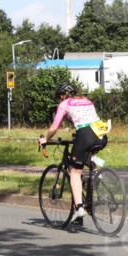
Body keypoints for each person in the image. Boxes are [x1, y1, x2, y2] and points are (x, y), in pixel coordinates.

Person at [38, 82, 109, 223]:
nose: (60, 99)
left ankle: (79, 208)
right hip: (102, 134)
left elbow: (54, 127)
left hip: (86, 135)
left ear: (63, 95)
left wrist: (45, 139)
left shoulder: (64, 104)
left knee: (74, 171)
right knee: (87, 158)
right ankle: (95, 175)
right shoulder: (87, 101)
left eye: (60, 96)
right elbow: (89, 121)